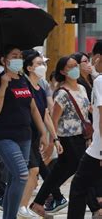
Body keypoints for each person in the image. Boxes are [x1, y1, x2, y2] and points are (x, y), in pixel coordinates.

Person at [30, 56, 99, 216]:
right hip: (68, 140)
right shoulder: (61, 93)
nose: (75, 69)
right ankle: (96, 208)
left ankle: (38, 203)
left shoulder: (81, 88)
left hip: (82, 137)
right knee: (83, 173)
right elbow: (54, 119)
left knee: (59, 173)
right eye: (70, 67)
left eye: (76, 65)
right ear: (62, 71)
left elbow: (85, 110)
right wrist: (52, 141)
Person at [0, 46, 47, 219]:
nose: (18, 59)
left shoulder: (23, 79)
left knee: (15, 178)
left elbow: (33, 108)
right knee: (22, 174)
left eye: (20, 56)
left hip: (25, 135)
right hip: (4, 136)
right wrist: (4, 85)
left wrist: (43, 133)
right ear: (4, 60)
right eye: (14, 56)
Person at [18, 51, 61, 218]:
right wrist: (45, 134)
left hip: (35, 137)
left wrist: (54, 137)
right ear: (29, 68)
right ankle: (21, 207)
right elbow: (32, 112)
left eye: (43, 63)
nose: (43, 67)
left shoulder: (41, 87)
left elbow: (45, 114)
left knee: (32, 174)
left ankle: (21, 206)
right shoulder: (24, 85)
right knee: (33, 171)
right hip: (23, 135)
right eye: (38, 64)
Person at [68, 50, 102, 218]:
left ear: (98, 58)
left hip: (98, 149)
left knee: (78, 186)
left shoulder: (100, 81)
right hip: (96, 147)